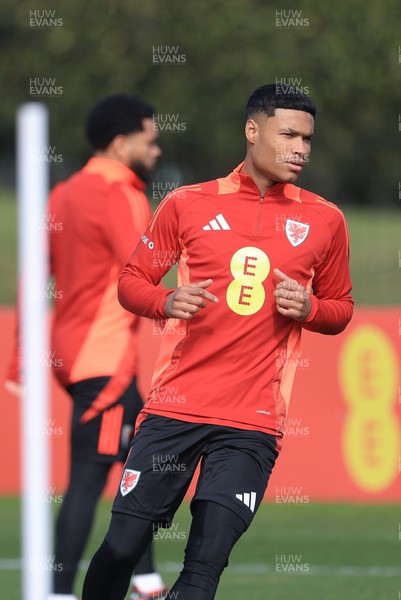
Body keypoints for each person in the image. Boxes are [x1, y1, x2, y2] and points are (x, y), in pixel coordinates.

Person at [82, 83, 354, 600]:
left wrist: (312, 309)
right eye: (289, 134)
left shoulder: (326, 219)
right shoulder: (187, 203)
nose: (301, 149)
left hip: (251, 424)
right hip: (174, 410)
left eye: (308, 139)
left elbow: (340, 307)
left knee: (203, 570)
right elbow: (131, 281)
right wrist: (165, 301)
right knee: (121, 547)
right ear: (253, 131)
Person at [6, 94, 169, 600]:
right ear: (121, 144)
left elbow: (35, 274)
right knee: (89, 478)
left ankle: (145, 581)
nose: (157, 150)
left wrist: (20, 352)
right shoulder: (124, 194)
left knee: (140, 462)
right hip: (105, 362)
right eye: (150, 139)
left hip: (72, 353)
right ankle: (56, 591)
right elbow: (142, 272)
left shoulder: (64, 193)